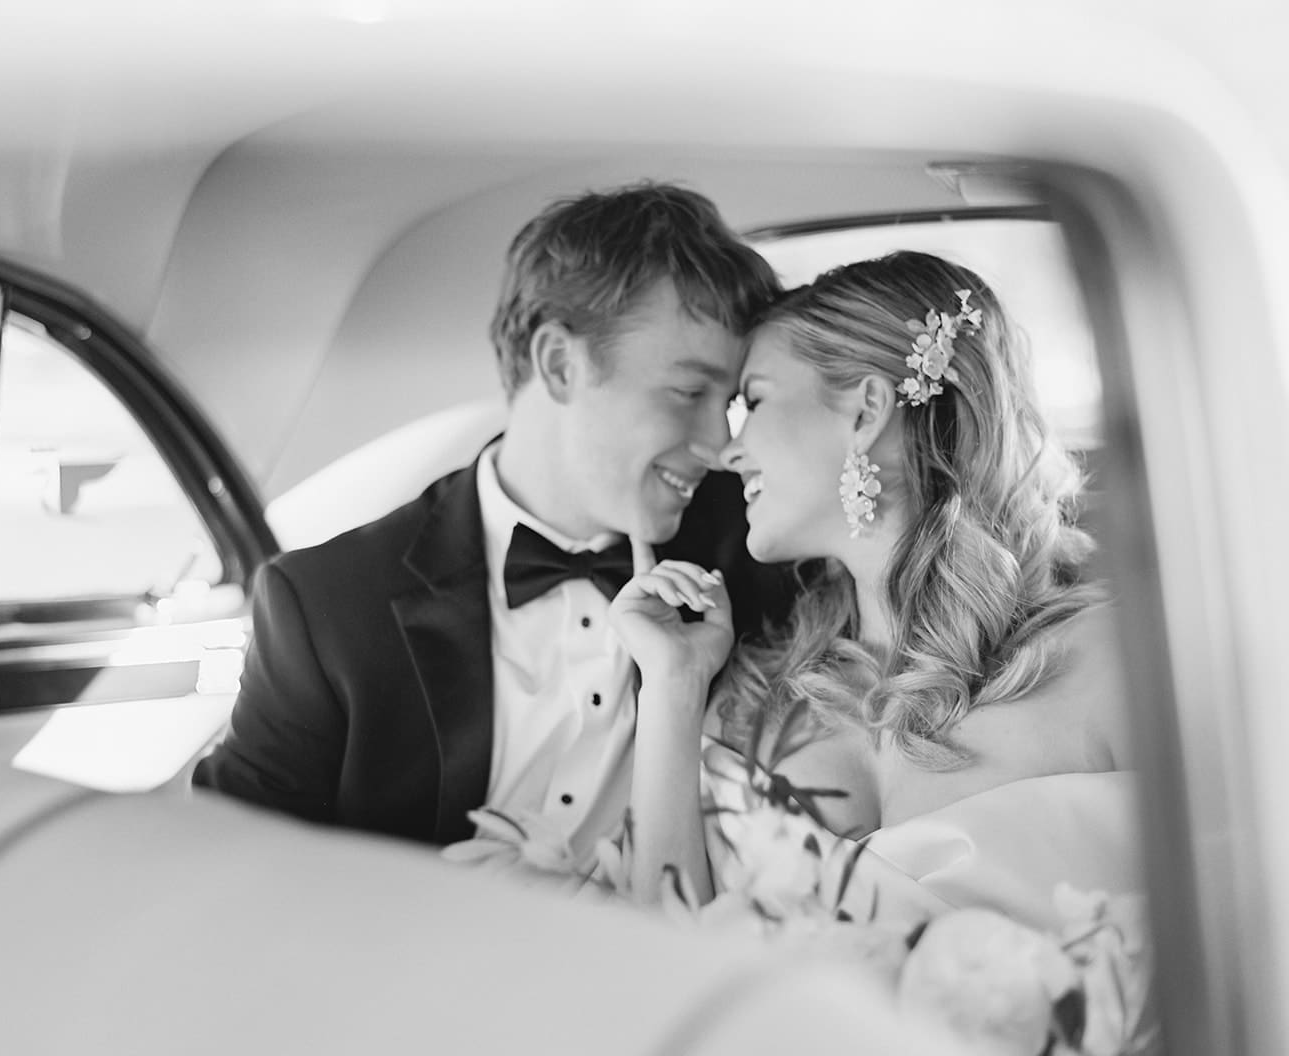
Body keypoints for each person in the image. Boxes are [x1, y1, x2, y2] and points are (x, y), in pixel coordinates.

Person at [193, 182, 799, 846]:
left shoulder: (765, 553)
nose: (719, 445)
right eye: (688, 392)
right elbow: (227, 867)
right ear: (560, 364)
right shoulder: (328, 610)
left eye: (732, 401)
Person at [609, 250, 1136, 913]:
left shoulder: (1112, 665)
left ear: (865, 411)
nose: (729, 450)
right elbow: (658, 950)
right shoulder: (749, 701)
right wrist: (672, 686)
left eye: (756, 399)